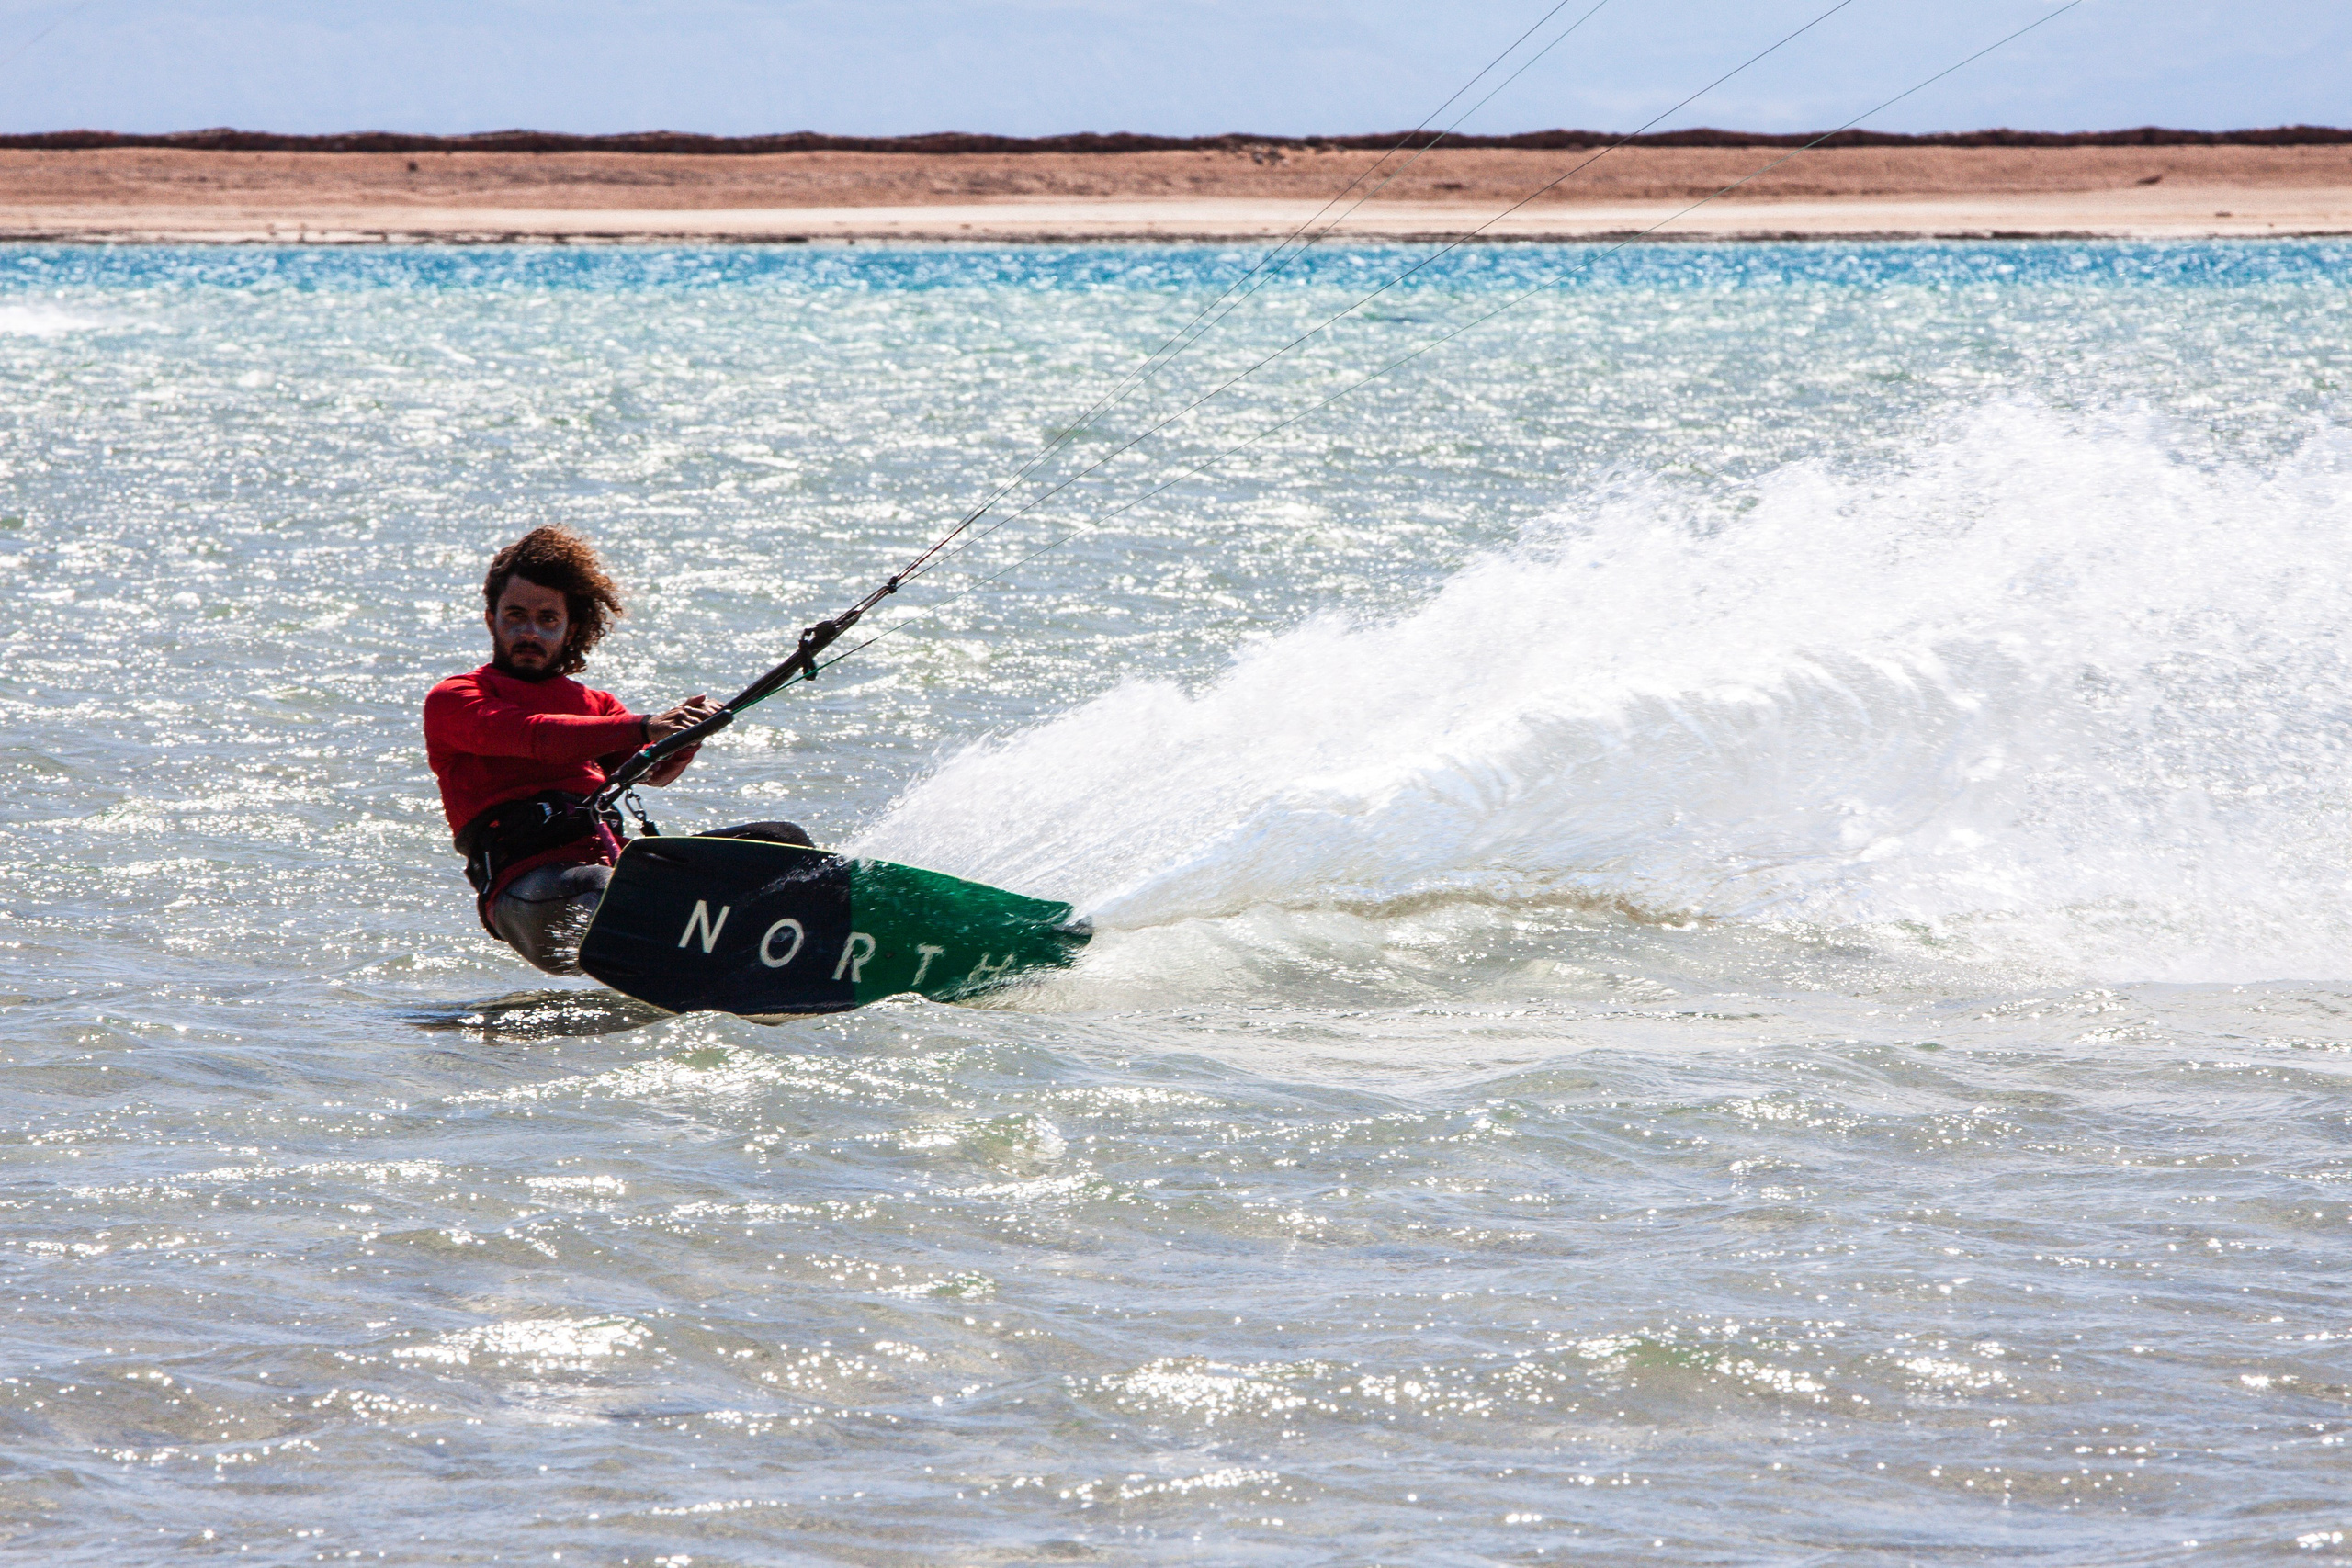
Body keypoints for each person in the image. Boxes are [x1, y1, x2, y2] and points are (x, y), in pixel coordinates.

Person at [424, 526, 808, 974]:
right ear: (491, 619)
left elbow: (650, 773)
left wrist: (685, 736)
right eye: (515, 616)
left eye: (548, 619)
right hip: (529, 894)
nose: (530, 632)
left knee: (782, 843)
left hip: (620, 870)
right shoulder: (456, 697)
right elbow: (535, 736)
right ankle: (707, 961)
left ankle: (820, 948)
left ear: (571, 629)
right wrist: (646, 726)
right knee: (605, 889)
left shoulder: (597, 706)